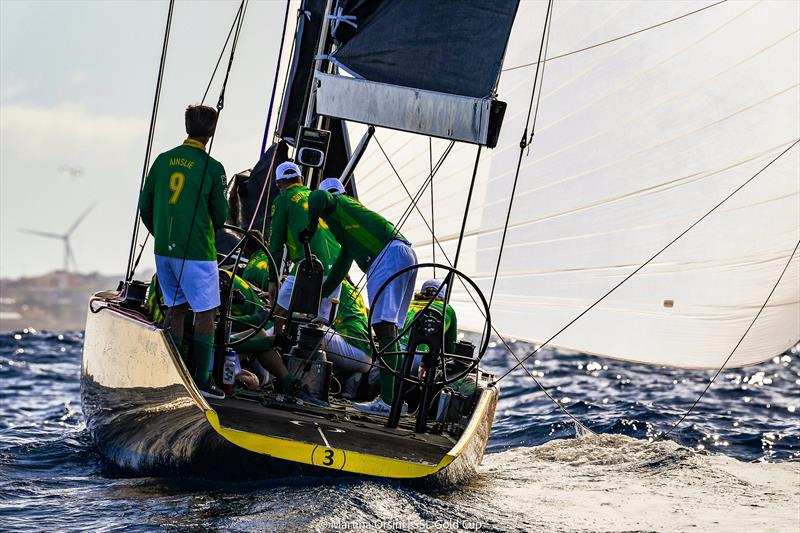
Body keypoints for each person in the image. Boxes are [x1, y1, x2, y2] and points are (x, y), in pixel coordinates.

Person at [300, 177, 417, 416]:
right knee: (389, 329)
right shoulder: (349, 221)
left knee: (384, 329)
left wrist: (310, 227)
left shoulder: (338, 203)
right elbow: (343, 264)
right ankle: (392, 401)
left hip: (387, 256)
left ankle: (387, 401)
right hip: (404, 254)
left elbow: (318, 197)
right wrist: (321, 292)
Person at [139, 104, 228, 399]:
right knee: (206, 312)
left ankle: (172, 375)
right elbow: (221, 216)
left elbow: (145, 207)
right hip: (198, 252)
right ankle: (201, 380)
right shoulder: (213, 168)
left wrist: (163, 233)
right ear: (212, 131)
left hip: (163, 249)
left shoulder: (163, 161)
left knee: (175, 308)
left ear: (187, 126)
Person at [266, 163, 341, 331]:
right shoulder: (317, 196)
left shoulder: (283, 200)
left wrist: (272, 279)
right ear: (300, 179)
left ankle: (275, 354)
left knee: (277, 315)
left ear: (278, 184)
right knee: (318, 326)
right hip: (336, 268)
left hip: (309, 265)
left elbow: (275, 245)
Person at [324, 277, 372, 399]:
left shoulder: (335, 284)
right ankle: (351, 380)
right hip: (367, 357)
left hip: (352, 353)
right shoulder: (353, 289)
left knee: (313, 330)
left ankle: (312, 384)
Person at [400, 279, 458, 376]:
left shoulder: (407, 304)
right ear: (443, 296)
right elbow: (450, 349)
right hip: (418, 362)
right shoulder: (448, 309)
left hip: (392, 353)